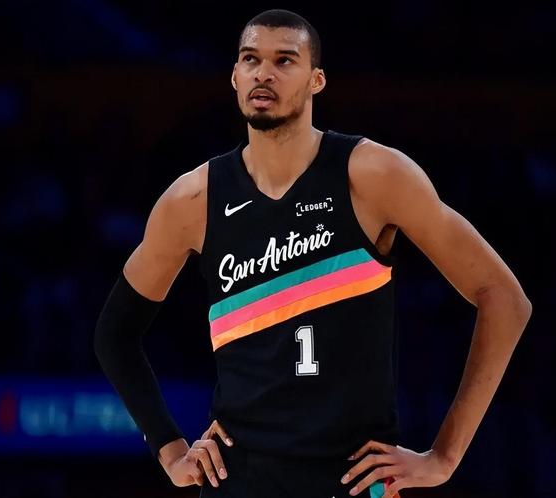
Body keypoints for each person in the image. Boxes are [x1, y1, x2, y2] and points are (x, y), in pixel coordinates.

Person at [94, 8, 532, 498]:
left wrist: (445, 457)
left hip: (353, 481)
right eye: (251, 59)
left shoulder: (373, 175)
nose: (264, 73)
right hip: (239, 482)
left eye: (284, 60)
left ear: (316, 80)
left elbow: (503, 297)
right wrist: (170, 449)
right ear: (235, 77)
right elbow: (115, 333)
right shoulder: (193, 199)